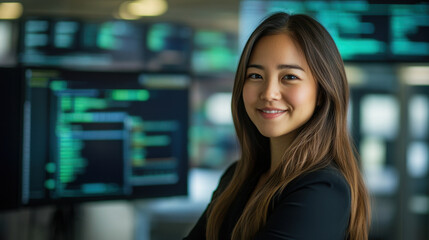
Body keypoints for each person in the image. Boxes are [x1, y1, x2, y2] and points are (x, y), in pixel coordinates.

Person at [184, 12, 370, 240]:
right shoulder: (236, 177)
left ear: (322, 91)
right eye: (255, 75)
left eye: (289, 77)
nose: (269, 93)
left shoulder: (323, 189)